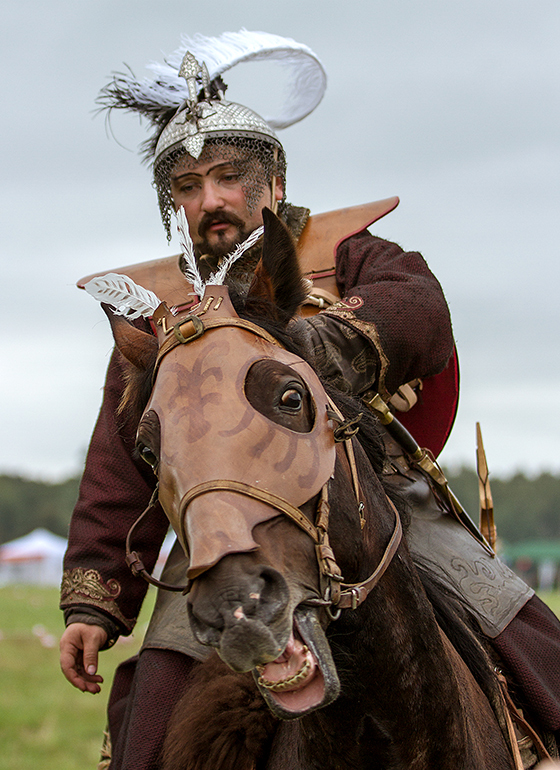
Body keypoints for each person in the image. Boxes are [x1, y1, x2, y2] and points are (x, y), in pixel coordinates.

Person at [59, 31, 560, 769]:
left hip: (381, 510)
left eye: (229, 177)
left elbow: (420, 309)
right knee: (150, 715)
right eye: (189, 187)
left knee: (522, 629)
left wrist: (313, 343)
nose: (212, 200)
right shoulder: (161, 319)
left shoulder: (349, 255)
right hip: (222, 533)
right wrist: (94, 602)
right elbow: (120, 461)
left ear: (275, 183)